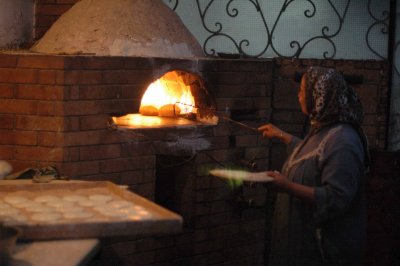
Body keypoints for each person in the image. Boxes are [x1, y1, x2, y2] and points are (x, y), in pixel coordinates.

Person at [258, 66, 369, 266]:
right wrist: (282, 136)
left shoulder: (344, 140)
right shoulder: (322, 129)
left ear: (320, 95)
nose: (298, 95)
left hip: (323, 251)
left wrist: (287, 186)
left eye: (303, 90)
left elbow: (337, 197)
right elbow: (313, 154)